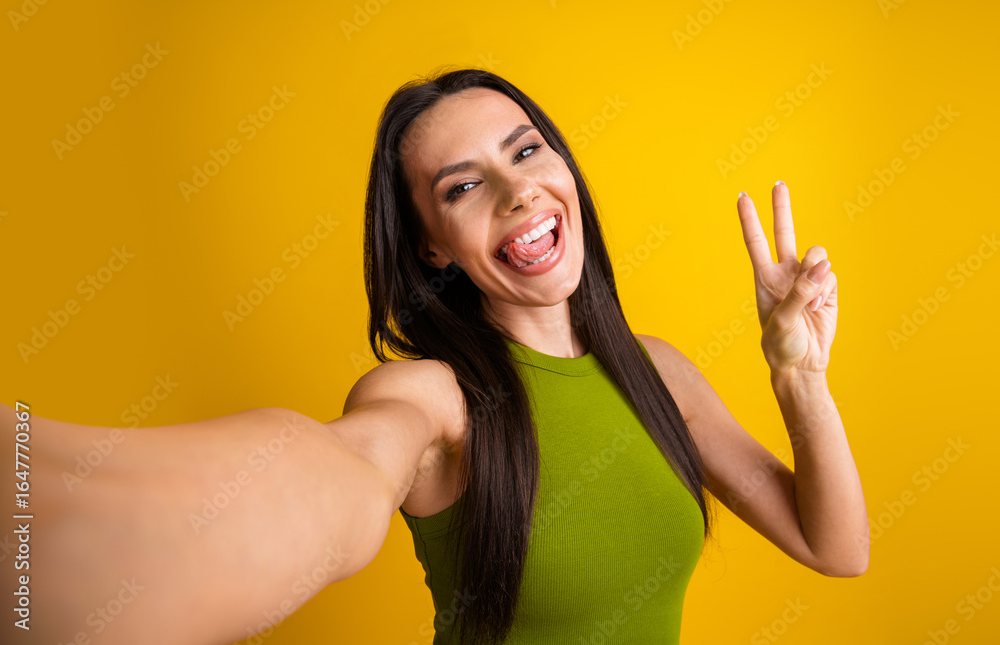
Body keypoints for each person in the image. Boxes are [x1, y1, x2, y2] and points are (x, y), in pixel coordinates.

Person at [0, 67, 868, 645]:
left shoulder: (660, 373)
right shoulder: (432, 396)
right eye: (464, 185)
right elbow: (337, 472)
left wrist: (799, 379)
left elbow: (836, 546)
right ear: (431, 247)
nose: (518, 189)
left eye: (525, 150)